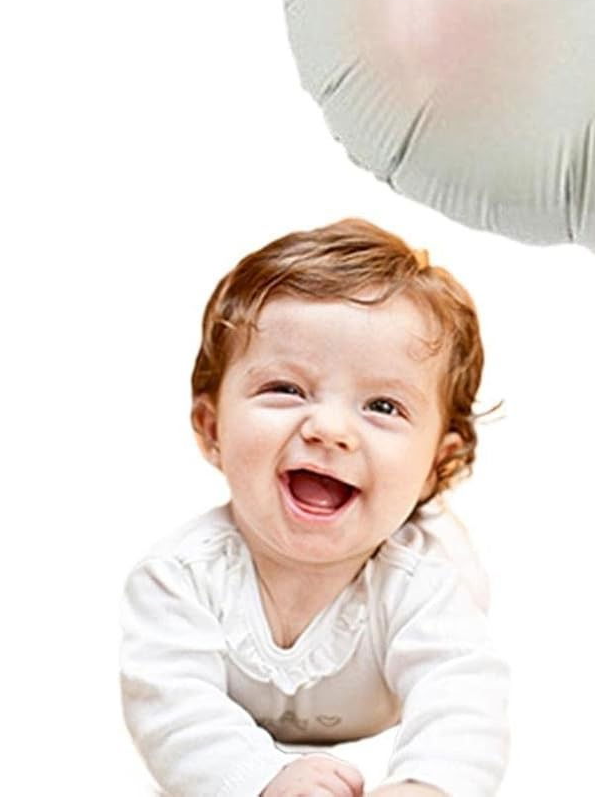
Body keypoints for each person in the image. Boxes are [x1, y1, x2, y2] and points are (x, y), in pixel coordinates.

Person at [121, 220, 508, 797]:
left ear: (436, 462)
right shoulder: (180, 577)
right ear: (211, 428)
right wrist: (263, 779)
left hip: (428, 570)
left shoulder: (426, 583)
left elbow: (462, 703)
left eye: (382, 406)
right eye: (286, 389)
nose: (328, 428)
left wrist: (425, 785)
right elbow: (174, 712)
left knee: (449, 556)